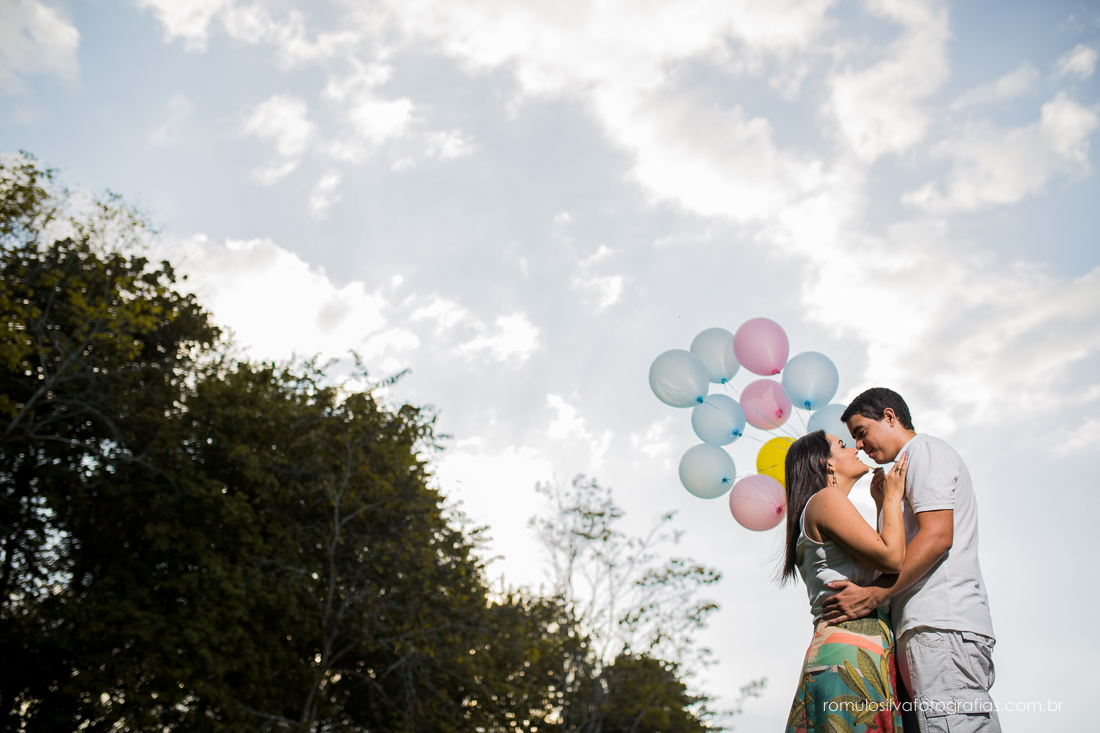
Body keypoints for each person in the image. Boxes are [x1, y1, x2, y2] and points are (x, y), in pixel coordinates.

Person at [823, 388, 999, 733]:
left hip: (940, 625)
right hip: (926, 629)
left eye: (861, 433)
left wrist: (875, 594)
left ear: (889, 417)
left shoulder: (925, 451)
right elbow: (896, 551)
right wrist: (881, 505)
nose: (859, 445)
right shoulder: (903, 468)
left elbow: (936, 537)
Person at [782, 429, 907, 733]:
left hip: (858, 649)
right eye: (842, 445)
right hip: (848, 653)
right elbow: (892, 559)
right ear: (826, 463)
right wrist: (892, 497)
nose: (854, 449)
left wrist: (880, 505)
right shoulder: (825, 500)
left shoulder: (824, 506)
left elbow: (879, 560)